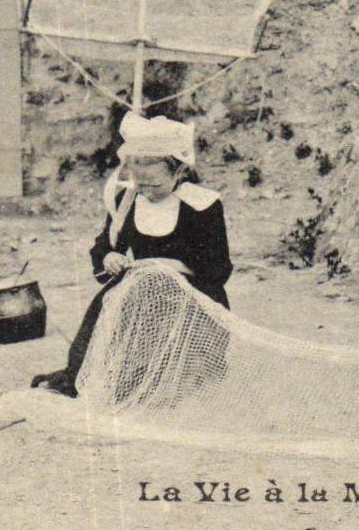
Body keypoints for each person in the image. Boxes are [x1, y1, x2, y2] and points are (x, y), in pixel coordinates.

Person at [32, 112, 231, 398]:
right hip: (139, 289)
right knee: (101, 328)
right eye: (142, 184)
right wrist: (109, 258)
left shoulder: (202, 206)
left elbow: (219, 267)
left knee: (183, 379)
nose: (147, 192)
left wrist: (173, 266)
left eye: (156, 185)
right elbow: (105, 244)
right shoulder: (126, 200)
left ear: (180, 172)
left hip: (191, 292)